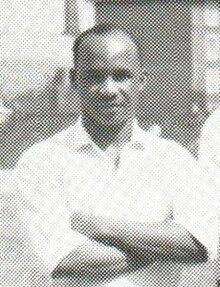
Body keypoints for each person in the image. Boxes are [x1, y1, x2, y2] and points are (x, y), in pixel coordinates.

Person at [6, 24, 219, 287]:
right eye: (95, 76)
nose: (109, 89)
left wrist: (103, 227)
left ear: (141, 80)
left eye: (121, 76)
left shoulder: (174, 159)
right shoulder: (41, 162)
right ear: (74, 80)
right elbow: (65, 261)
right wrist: (163, 242)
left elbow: (198, 246)